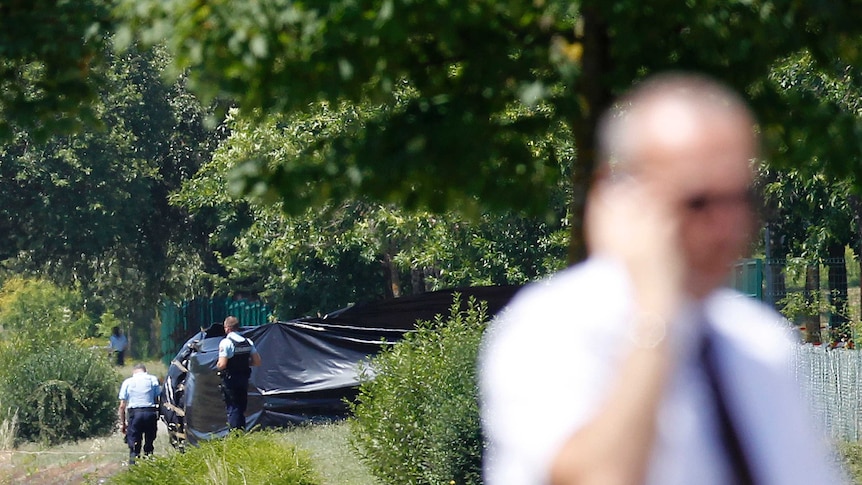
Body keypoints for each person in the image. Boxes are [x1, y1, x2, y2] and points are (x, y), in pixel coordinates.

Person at [478, 72, 848, 485]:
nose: (728, 227)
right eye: (699, 201)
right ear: (618, 192)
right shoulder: (552, 328)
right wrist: (656, 314)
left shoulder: (757, 340)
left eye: (740, 198)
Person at [217, 315, 262, 430]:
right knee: (241, 408)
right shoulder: (248, 342)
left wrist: (216, 366)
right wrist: (244, 364)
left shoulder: (226, 342)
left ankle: (235, 435)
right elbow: (257, 362)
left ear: (227, 328)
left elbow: (222, 364)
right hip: (244, 378)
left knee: (233, 408)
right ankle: (241, 433)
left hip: (231, 379)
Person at [118, 363, 161, 465]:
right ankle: (149, 465)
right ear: (145, 371)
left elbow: (122, 406)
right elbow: (157, 399)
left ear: (134, 371)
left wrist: (123, 423)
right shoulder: (152, 379)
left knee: (134, 445)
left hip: (135, 414)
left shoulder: (128, 382)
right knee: (149, 443)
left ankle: (133, 468)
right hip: (150, 412)